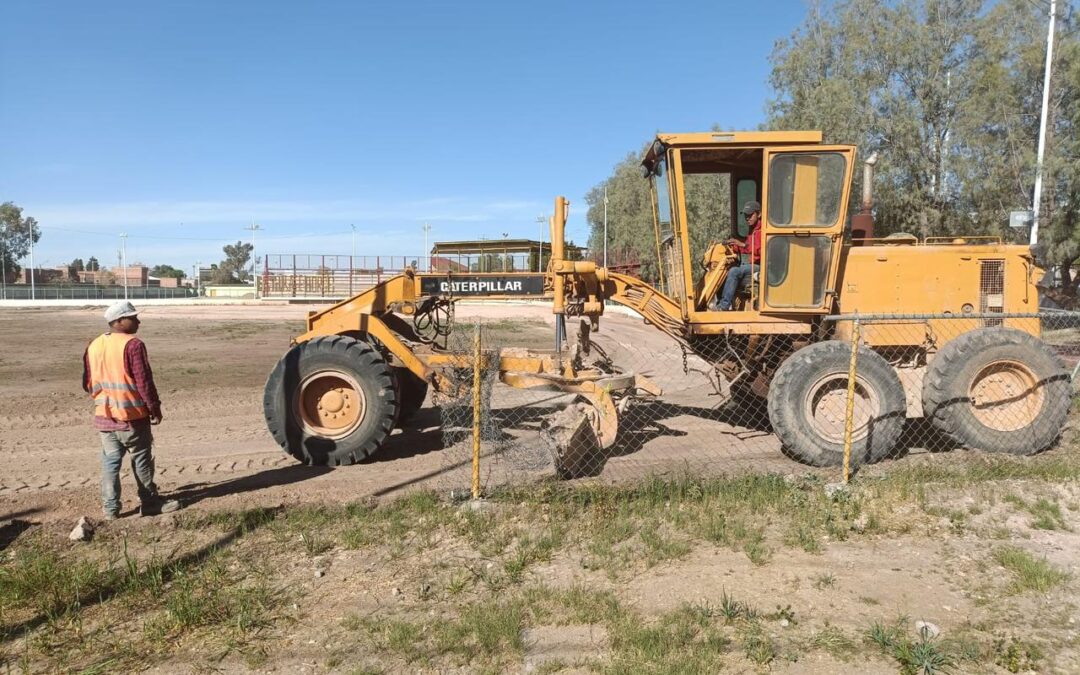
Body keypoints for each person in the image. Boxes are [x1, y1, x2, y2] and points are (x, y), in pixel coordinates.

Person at [83, 301, 180, 520]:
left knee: (110, 463)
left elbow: (87, 381)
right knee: (142, 460)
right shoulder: (133, 345)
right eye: (132, 317)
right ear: (118, 322)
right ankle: (149, 503)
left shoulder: (94, 344)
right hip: (132, 418)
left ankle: (111, 510)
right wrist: (154, 408)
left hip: (104, 417)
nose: (138, 321)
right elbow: (143, 381)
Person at [718, 201, 763, 311]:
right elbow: (746, 247)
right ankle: (720, 302)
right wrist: (733, 246)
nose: (748, 218)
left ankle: (724, 306)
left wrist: (741, 244)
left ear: (759, 214)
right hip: (753, 264)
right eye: (746, 216)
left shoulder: (763, 231)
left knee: (734, 271)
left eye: (750, 215)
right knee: (725, 270)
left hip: (761, 266)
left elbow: (762, 251)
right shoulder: (752, 231)